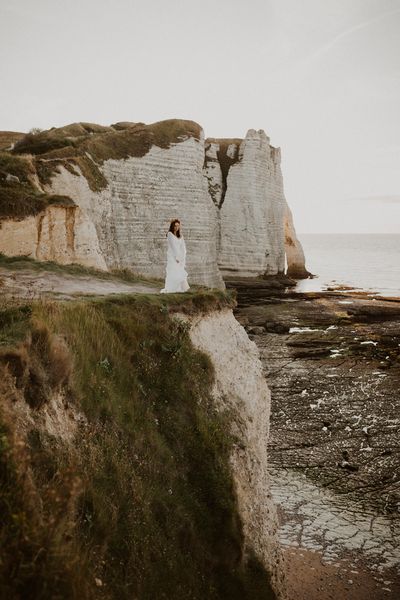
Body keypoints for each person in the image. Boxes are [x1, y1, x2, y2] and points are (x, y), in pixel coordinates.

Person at [160, 218, 190, 293]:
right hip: (172, 256)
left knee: (179, 271)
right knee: (172, 271)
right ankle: (171, 288)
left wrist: (182, 256)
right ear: (172, 226)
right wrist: (176, 257)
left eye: (178, 226)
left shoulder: (180, 236)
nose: (176, 227)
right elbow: (173, 246)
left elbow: (183, 247)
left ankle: (178, 288)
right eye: (175, 226)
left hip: (179, 256)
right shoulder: (170, 234)